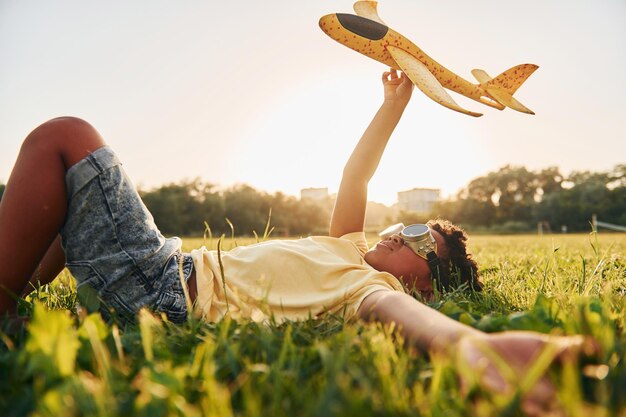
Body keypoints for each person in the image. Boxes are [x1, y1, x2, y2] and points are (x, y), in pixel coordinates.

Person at [0, 69, 594, 413]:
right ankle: (20, 294)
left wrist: (470, 347)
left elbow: (409, 319)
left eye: (419, 235)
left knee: (65, 137)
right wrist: (392, 108)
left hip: (167, 293)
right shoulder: (347, 246)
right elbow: (356, 177)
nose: (401, 229)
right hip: (168, 269)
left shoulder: (370, 285)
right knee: (76, 194)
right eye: (413, 223)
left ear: (424, 279)